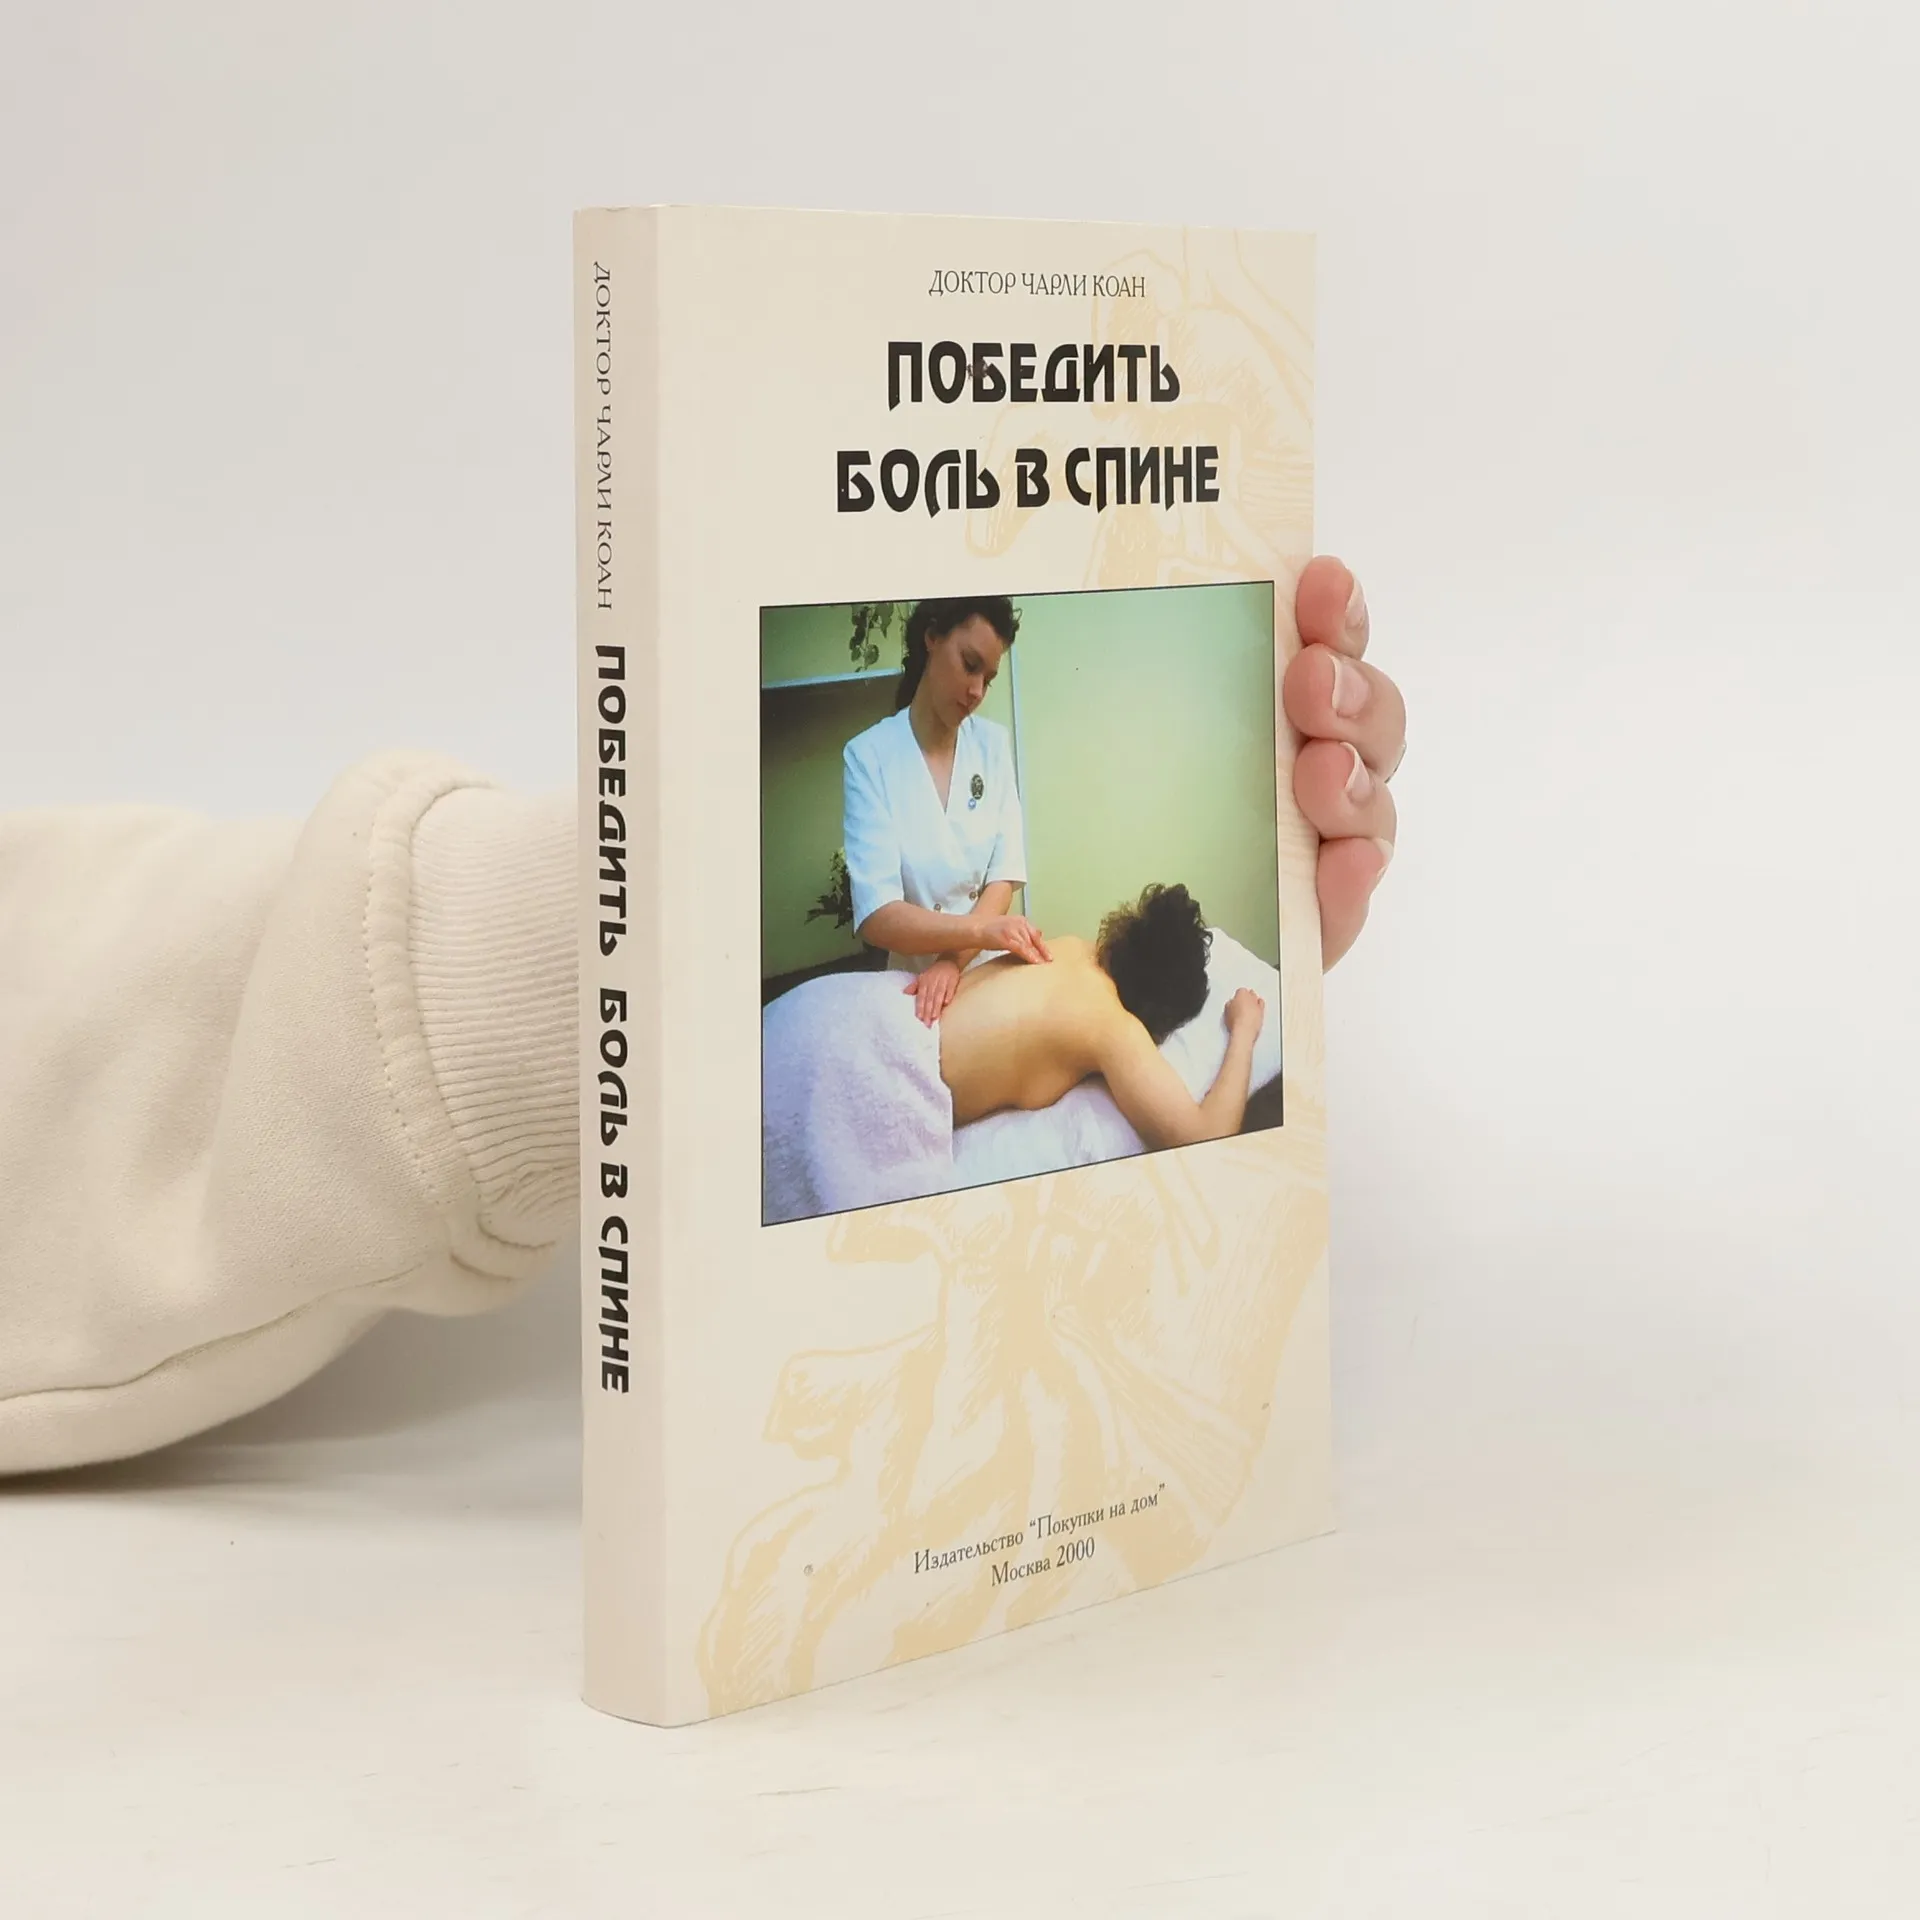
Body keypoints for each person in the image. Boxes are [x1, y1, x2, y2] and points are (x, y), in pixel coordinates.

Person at [0, 556, 1402, 1475]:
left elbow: (966, 932)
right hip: (857, 1059)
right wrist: (1242, 1031)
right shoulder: (1108, 1024)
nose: (979, 686)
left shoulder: (1054, 949)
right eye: (969, 661)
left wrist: (973, 946)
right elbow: (1197, 1134)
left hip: (832, 1017)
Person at [840, 597, 1052, 1028]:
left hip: (987, 972)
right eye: (969, 665)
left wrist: (952, 960)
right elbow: (878, 913)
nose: (977, 692)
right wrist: (977, 932)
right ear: (932, 638)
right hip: (915, 992)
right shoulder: (868, 756)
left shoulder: (992, 745)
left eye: (988, 679)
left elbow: (1003, 876)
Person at [936, 884, 1263, 1148]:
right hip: (911, 1077)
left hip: (907, 1010)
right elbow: (1205, 1138)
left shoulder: (1070, 946)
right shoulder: (1111, 1024)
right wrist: (1244, 1031)